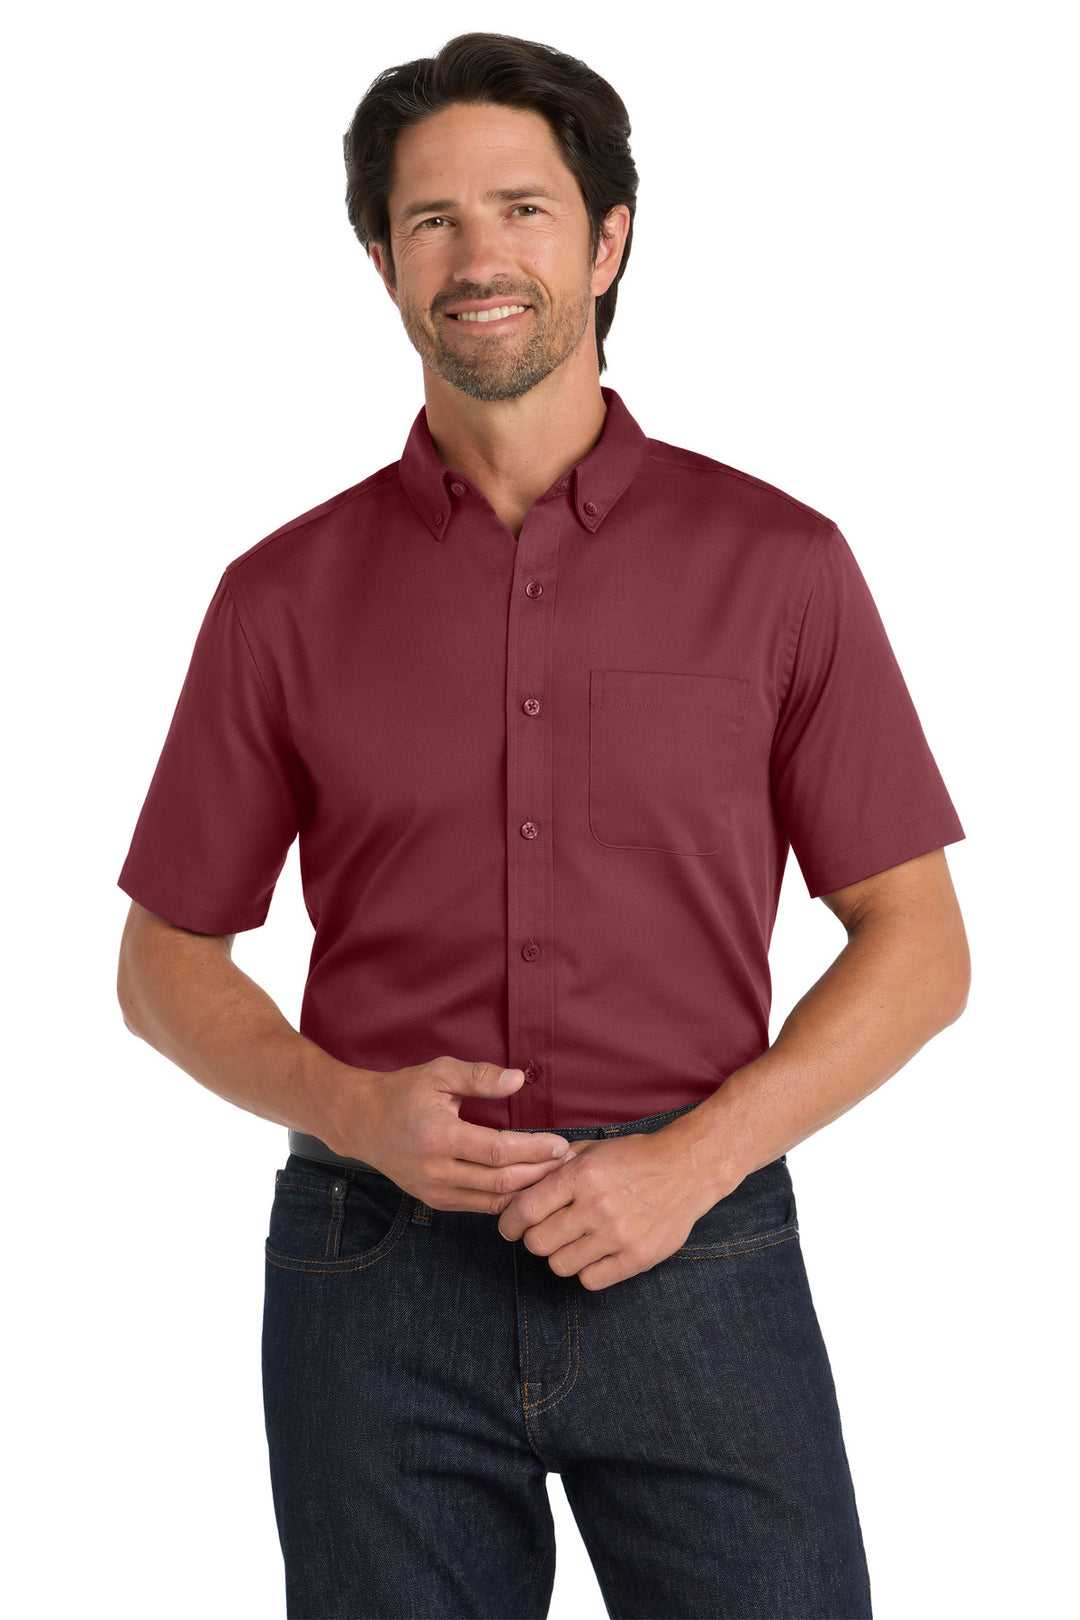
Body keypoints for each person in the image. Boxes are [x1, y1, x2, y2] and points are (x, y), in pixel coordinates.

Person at [115, 30, 969, 1620]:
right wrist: (351, 1108)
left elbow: (920, 947)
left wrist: (691, 1162)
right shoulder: (279, 597)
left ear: (608, 241)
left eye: (522, 208)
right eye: (431, 220)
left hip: (695, 1243)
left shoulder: (780, 564)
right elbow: (163, 961)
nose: (479, 257)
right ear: (382, 263)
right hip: (375, 1267)